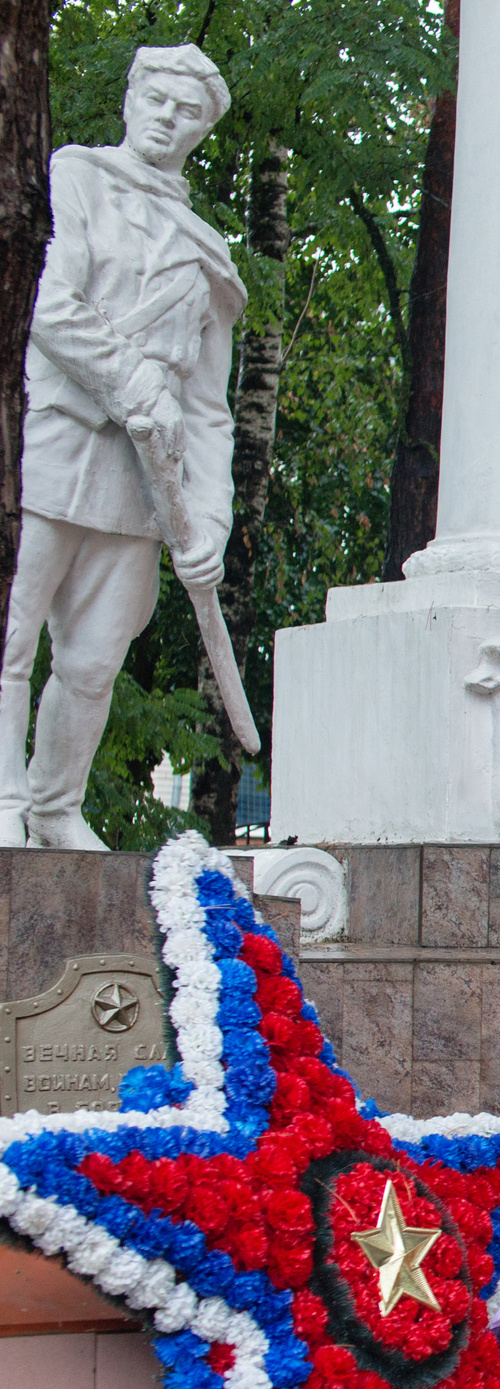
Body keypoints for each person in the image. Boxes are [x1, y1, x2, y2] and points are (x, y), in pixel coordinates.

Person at [6, 45, 242, 848]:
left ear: (200, 133)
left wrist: (209, 521)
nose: (166, 118)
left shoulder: (207, 252)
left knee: (94, 658)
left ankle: (55, 807)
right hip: (55, 443)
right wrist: (133, 380)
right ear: (130, 99)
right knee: (12, 638)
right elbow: (50, 304)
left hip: (143, 481)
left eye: (187, 112)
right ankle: (3, 800)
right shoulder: (74, 178)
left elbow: (208, 409)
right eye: (157, 99)